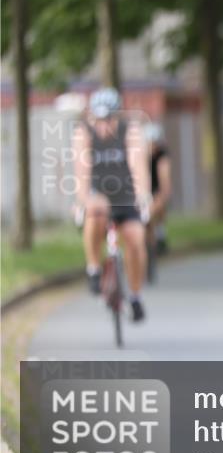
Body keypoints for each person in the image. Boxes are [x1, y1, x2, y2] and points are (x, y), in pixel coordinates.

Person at [72, 87, 151, 322]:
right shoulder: (84, 133)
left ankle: (135, 296)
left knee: (136, 240)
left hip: (125, 195)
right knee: (95, 212)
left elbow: (139, 168)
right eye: (98, 119)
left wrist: (143, 195)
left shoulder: (131, 132)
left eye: (109, 119)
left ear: (118, 116)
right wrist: (82, 201)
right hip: (98, 194)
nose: (103, 125)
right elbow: (81, 172)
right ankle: (94, 269)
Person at [145, 122, 172, 257]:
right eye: (150, 143)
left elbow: (164, 180)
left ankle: (160, 234)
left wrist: (162, 197)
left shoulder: (162, 156)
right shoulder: (139, 156)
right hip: (143, 190)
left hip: (156, 189)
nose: (152, 147)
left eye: (155, 143)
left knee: (156, 208)